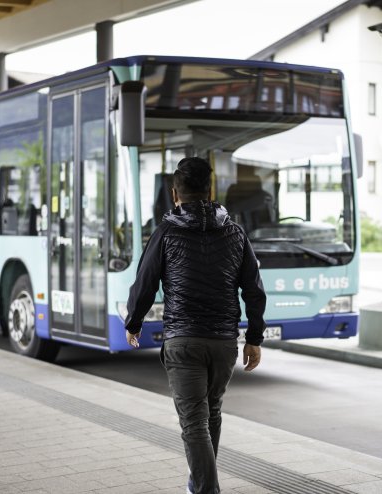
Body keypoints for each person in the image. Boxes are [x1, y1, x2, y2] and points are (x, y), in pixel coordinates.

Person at [125, 156, 267, 494]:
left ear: (175, 194)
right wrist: (254, 338)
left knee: (193, 423)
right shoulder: (234, 232)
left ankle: (205, 489)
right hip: (222, 343)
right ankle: (199, 483)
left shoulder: (166, 231)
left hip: (183, 340)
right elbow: (254, 288)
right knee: (210, 414)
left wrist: (134, 321)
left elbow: (144, 282)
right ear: (210, 191)